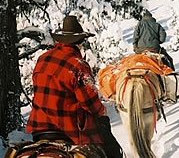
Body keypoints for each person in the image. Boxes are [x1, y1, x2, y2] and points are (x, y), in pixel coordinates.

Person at [26, 15, 123, 158]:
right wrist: (102, 113)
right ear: (79, 43)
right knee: (112, 150)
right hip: (69, 129)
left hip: (39, 128)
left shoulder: (42, 59)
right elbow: (90, 104)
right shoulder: (77, 65)